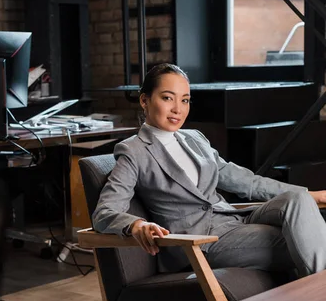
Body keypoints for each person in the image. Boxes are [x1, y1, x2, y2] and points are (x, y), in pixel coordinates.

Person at [92, 63, 326, 277]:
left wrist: (312, 195)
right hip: (201, 241)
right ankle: (318, 300)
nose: (177, 109)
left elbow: (247, 182)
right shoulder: (134, 151)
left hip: (234, 218)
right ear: (144, 100)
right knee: (305, 238)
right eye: (167, 98)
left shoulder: (195, 138)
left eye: (185, 100)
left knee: (299, 199)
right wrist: (136, 225)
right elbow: (105, 212)